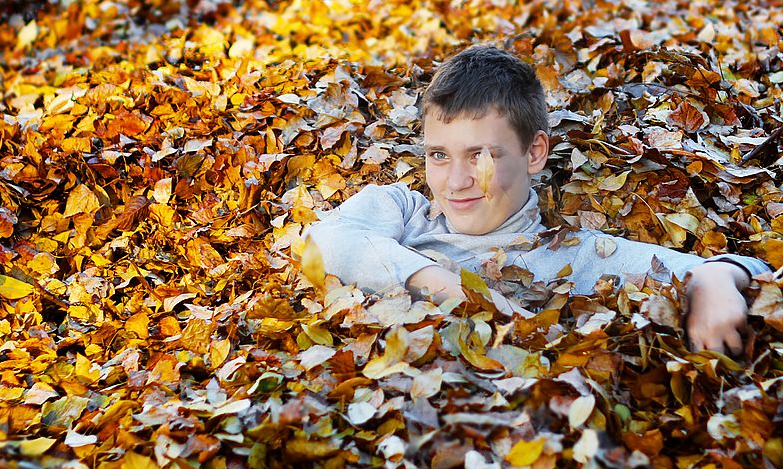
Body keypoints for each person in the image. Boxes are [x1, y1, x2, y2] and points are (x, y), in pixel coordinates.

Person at [306, 45, 771, 356]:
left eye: (481, 156)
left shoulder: (575, 256)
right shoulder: (403, 212)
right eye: (439, 156)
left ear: (534, 153)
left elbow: (746, 272)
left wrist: (713, 279)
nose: (456, 181)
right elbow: (323, 239)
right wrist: (462, 292)